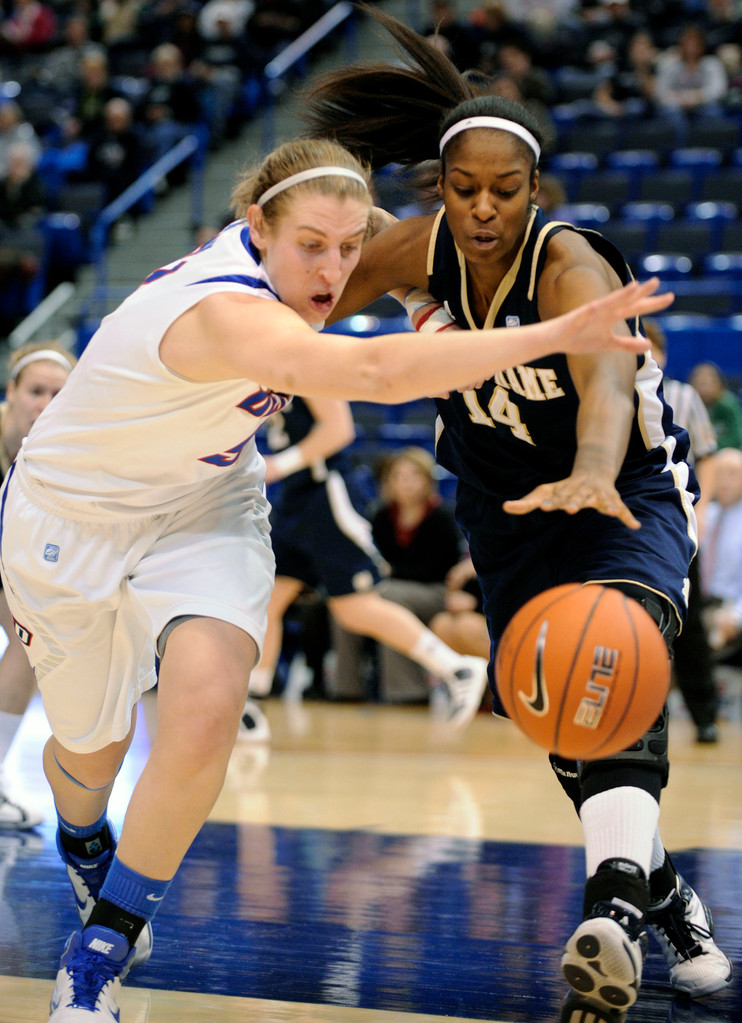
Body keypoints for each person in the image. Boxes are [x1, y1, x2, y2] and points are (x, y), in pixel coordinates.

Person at [0, 134, 667, 1022]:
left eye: (347, 247)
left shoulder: (312, 251)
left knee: (202, 712)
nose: (332, 267)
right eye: (311, 245)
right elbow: (376, 370)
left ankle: (100, 951)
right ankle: (85, 836)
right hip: (71, 515)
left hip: (206, 494)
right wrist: (555, 335)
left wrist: (411, 284)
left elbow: (396, 247)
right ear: (255, 227)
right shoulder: (219, 311)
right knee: (90, 752)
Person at [300, 11, 733, 1017]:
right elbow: (302, 302)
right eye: (465, 190)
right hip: (503, 514)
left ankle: (611, 916)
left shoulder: (568, 262)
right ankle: (667, 902)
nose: (485, 209)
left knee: (615, 661)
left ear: (536, 192)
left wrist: (588, 467)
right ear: (441, 189)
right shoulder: (417, 249)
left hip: (620, 494)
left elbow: (606, 389)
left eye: (506, 191)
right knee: (569, 725)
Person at [241, 403, 486, 729]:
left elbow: (339, 429)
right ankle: (252, 710)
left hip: (325, 493)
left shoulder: (311, 359)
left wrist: (278, 464)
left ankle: (455, 668)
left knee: (354, 608)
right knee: (267, 601)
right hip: (295, 498)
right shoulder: (270, 370)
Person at [0, 341, 76, 830]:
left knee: (32, 637)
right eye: (34, 391)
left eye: (57, 393)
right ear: (10, 392)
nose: (44, 403)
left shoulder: (70, 453)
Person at [645, 318, 721, 743]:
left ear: (664, 354)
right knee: (635, 624)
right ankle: (640, 715)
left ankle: (705, 712)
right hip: (623, 523)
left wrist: (703, 506)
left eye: (652, 346)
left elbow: (706, 457)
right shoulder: (602, 389)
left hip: (674, 522)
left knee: (686, 625)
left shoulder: (683, 396)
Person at [700, 446, 742, 663]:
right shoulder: (705, 515)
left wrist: (737, 616)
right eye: (718, 473)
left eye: (733, 473)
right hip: (700, 601)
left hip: (730, 606)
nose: (724, 481)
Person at [688, 360, 742, 451]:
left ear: (718, 384)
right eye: (700, 384)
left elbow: (737, 437)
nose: (704, 389)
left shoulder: (728, 404)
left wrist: (711, 442)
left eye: (707, 384)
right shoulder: (688, 403)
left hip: (724, 453)